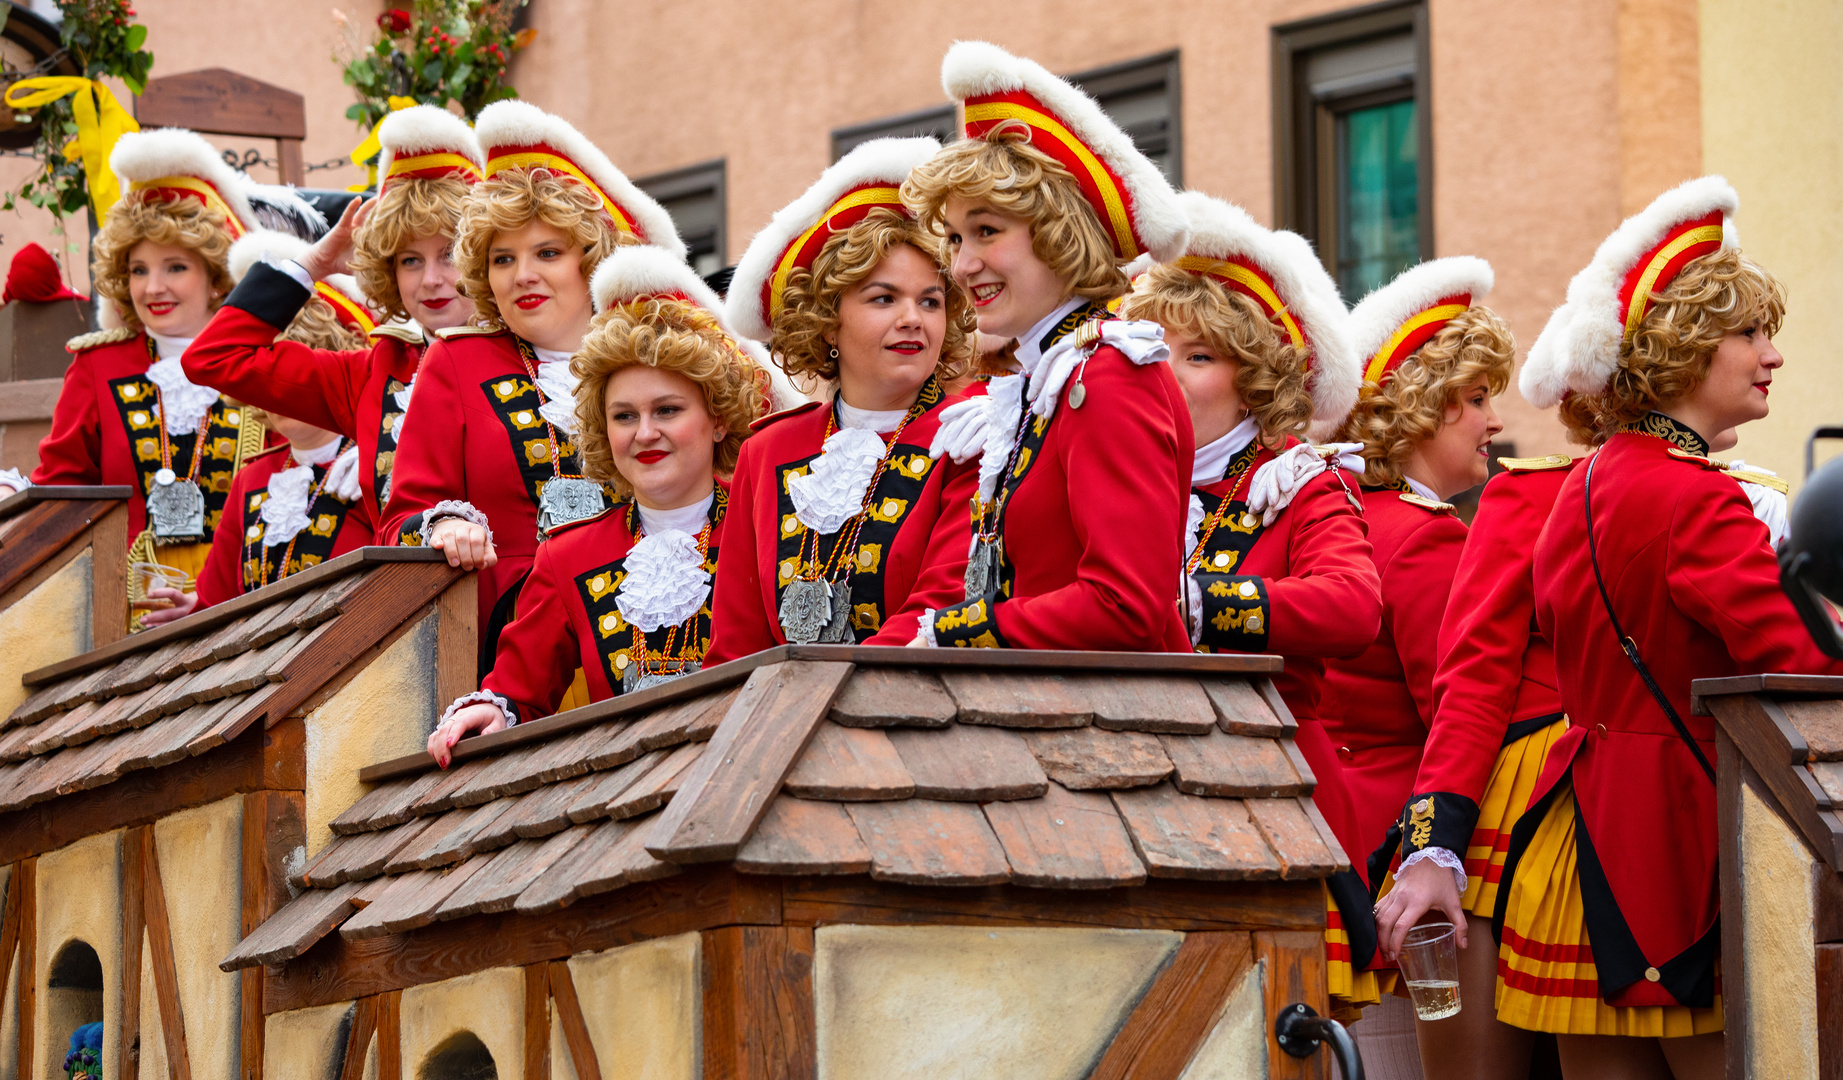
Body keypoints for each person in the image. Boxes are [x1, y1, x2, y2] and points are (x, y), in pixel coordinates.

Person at [1503, 176, 1843, 1078]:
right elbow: (1802, 664)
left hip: (1574, 841)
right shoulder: (1693, 498)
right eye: (1747, 333)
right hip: (1676, 853)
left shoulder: (1584, 479)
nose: (1771, 354)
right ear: (1686, 349)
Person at [1118, 190, 1382, 1012]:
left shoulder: (1295, 485)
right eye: (1154, 351)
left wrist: (1205, 605)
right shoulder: (1119, 480)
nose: (1166, 372)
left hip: (1275, 793)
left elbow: (1349, 607)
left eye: (1196, 356)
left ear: (1253, 382)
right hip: (1136, 801)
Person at [378, 100, 688, 687]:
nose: (523, 274)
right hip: (510, 650)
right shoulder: (456, 360)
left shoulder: (654, 354)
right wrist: (444, 526)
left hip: (658, 633)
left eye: (547, 253)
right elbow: (401, 518)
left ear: (590, 262)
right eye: (503, 258)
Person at [900, 41, 1194, 651]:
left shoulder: (1110, 374)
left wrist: (953, 634)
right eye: (954, 239)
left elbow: (1125, 607)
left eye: (987, 231)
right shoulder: (1051, 377)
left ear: (1061, 233)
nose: (963, 265)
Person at [428, 246, 765, 764]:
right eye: (624, 416)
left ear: (718, 420)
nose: (645, 433)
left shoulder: (773, 529)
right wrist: (492, 712)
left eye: (668, 410)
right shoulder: (568, 555)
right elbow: (519, 692)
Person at [704, 137, 979, 661]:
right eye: (884, 298)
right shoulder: (766, 453)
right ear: (829, 321)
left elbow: (947, 601)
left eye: (931, 301)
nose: (913, 319)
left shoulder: (971, 433)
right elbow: (735, 643)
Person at [181, 105, 483, 529]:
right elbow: (213, 358)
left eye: (449, 254)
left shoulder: (535, 352)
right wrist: (314, 262)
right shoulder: (372, 375)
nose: (430, 279)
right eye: (410, 260)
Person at [1, 129, 274, 593]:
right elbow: (63, 491)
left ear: (215, 278)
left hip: (246, 600)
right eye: (138, 270)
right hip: (124, 609)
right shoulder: (97, 365)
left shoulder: (262, 359)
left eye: (175, 267)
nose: (152, 288)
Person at [145, 244, 380, 622]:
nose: (279, 393)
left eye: (290, 381)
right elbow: (219, 601)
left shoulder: (376, 465)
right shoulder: (252, 479)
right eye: (266, 383)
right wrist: (196, 611)